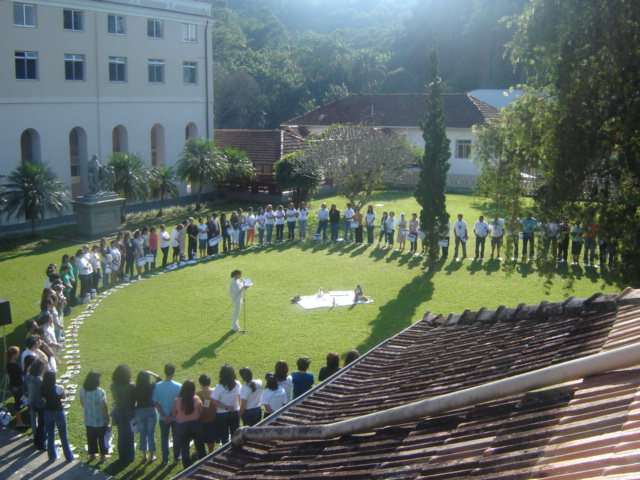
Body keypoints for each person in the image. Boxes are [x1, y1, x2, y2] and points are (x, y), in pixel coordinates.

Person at [169, 380, 206, 469]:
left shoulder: (177, 400)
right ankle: (204, 464)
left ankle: (187, 467)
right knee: (200, 445)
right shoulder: (196, 399)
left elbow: (174, 413)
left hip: (181, 425)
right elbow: (201, 411)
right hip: (195, 424)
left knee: (184, 447)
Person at [152, 363, 182, 464]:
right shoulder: (179, 386)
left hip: (163, 418)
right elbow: (179, 404)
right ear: (174, 372)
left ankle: (165, 459)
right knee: (176, 438)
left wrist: (164, 416)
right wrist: (171, 416)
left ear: (165, 372)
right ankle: (176, 457)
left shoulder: (158, 386)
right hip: (175, 417)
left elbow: (156, 402)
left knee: (164, 438)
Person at [79, 371, 111, 462]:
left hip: (88, 418)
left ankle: (92, 455)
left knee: (91, 437)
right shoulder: (99, 392)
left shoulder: (82, 389)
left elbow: (82, 401)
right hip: (99, 419)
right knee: (102, 437)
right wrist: (106, 417)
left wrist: (88, 409)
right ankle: (103, 456)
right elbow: (103, 406)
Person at [42, 371, 74, 461]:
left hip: (47, 411)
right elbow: (64, 397)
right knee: (63, 436)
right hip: (58, 412)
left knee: (50, 435)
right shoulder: (59, 388)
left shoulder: (42, 387)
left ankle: (52, 456)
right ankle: (69, 456)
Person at [110, 363, 135, 463]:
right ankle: (130, 456)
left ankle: (122, 456)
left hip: (118, 410)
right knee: (129, 434)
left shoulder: (113, 386)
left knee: (121, 434)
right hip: (128, 410)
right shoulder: (131, 386)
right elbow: (133, 399)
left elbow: (114, 398)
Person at [134, 370, 162, 461]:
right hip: (151, 411)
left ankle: (144, 455)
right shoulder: (152, 386)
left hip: (139, 412)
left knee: (142, 433)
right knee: (151, 434)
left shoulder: (136, 388)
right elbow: (160, 380)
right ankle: (151, 456)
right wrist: (152, 373)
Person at [211, 364, 242, 445]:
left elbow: (214, 401)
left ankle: (226, 450)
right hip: (234, 412)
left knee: (224, 437)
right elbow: (240, 396)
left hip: (222, 415)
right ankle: (236, 449)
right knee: (235, 435)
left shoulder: (219, 387)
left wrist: (226, 408)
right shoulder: (237, 384)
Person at [25, 359, 46, 450]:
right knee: (42, 425)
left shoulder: (27, 377)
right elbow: (42, 393)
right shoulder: (39, 380)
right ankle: (41, 443)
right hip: (39, 404)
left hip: (31, 401)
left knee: (33, 420)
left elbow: (25, 389)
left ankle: (35, 439)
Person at [4, 346, 27, 428]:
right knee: (18, 403)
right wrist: (15, 387)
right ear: (13, 355)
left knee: (21, 401)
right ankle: (19, 422)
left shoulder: (9, 364)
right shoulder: (12, 365)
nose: (18, 355)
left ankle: (20, 420)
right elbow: (15, 377)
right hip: (17, 386)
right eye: (18, 353)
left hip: (15, 385)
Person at [197, 374, 217, 453]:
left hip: (201, 420)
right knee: (211, 439)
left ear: (201, 383)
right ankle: (211, 453)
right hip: (213, 419)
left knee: (199, 438)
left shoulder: (197, 394)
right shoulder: (214, 392)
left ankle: (199, 453)